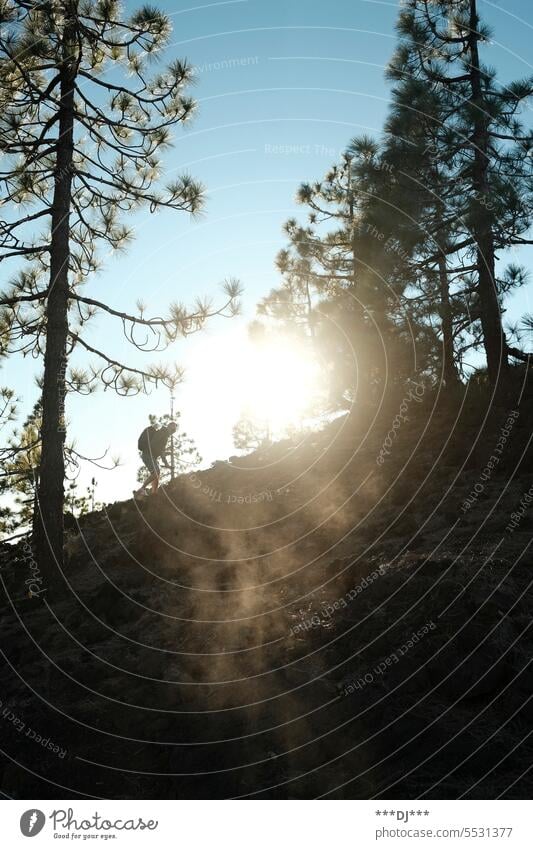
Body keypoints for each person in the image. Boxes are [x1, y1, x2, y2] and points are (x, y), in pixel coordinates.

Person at [134, 421, 177, 499]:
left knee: (157, 474)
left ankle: (154, 494)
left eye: (174, 431)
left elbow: (160, 450)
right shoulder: (163, 433)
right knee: (156, 472)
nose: (173, 431)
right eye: (173, 429)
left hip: (150, 455)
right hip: (148, 455)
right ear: (169, 426)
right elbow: (159, 450)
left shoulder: (164, 434)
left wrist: (167, 453)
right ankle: (142, 489)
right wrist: (166, 462)